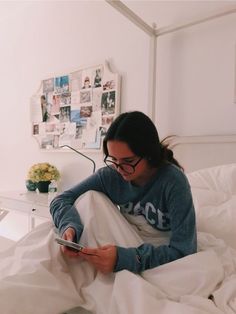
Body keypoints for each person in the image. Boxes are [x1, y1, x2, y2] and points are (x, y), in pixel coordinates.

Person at [50, 111, 197, 274]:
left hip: (160, 251)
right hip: (127, 240)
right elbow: (61, 200)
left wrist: (126, 259)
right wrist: (69, 227)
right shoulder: (111, 175)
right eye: (113, 159)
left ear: (148, 154)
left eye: (128, 161)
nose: (119, 169)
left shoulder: (173, 182)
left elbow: (183, 250)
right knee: (90, 198)